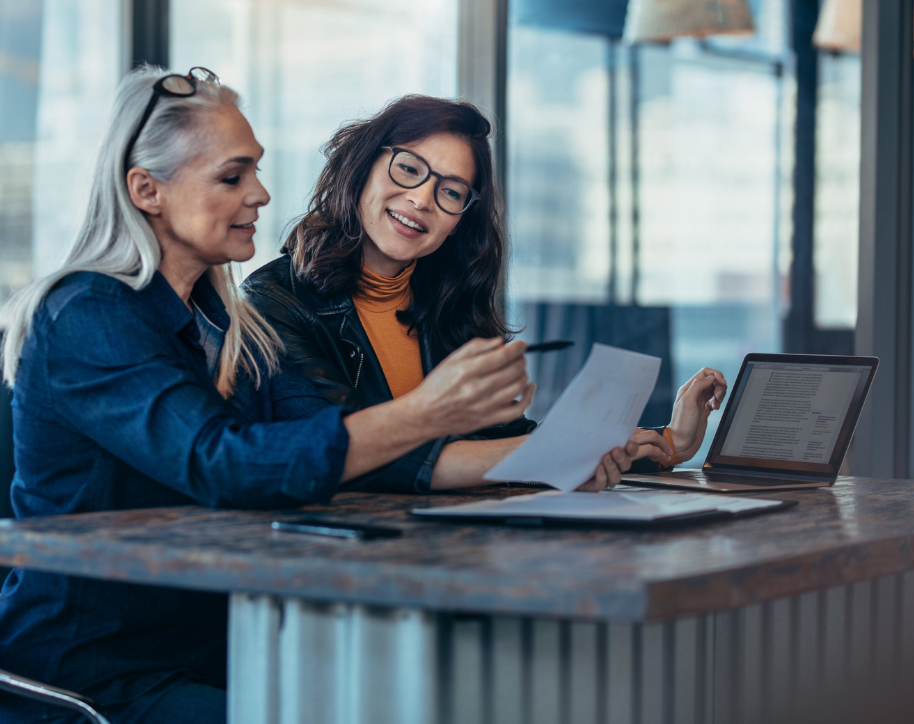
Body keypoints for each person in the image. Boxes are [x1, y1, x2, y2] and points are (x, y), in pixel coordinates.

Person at [0, 68, 581, 723]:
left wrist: (562, 461)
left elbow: (347, 445)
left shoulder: (229, 326)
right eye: (232, 177)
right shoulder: (86, 314)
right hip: (99, 670)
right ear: (147, 190)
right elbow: (223, 463)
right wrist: (427, 411)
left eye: (256, 172)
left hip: (215, 645)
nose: (261, 194)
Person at [243, 95, 728, 487]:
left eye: (451, 192)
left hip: (452, 551)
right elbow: (352, 454)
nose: (421, 199)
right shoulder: (272, 303)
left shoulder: (447, 305)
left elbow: (502, 441)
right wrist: (558, 455)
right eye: (409, 169)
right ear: (362, 166)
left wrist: (669, 442)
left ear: (459, 222)